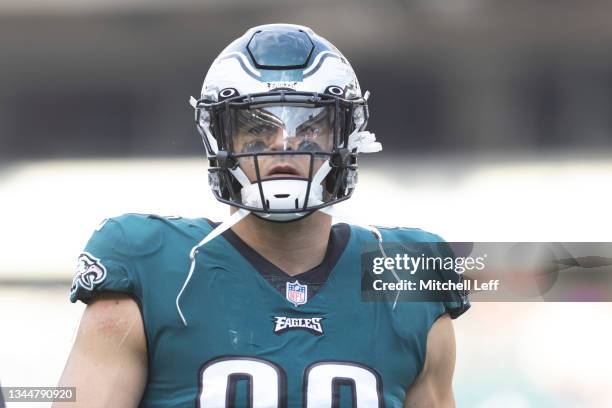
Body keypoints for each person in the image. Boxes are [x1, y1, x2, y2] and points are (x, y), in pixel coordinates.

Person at [55, 24, 469, 407]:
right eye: (256, 132)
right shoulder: (149, 264)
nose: (284, 147)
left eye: (309, 130)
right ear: (218, 140)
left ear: (347, 138)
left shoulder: (408, 275)